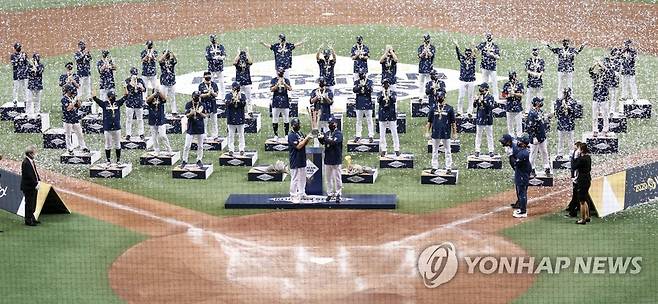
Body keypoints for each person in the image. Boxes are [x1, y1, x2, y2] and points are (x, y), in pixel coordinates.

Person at [426, 92, 456, 174]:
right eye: (438, 97)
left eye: (441, 97)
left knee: (448, 150)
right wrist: (427, 132)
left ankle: (448, 167)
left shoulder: (449, 108)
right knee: (435, 150)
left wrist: (454, 133)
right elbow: (429, 122)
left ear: (444, 97)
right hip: (436, 132)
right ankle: (434, 166)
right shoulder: (433, 108)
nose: (439, 98)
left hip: (446, 132)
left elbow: (453, 122)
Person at [92, 90, 126, 165]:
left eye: (114, 97)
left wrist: (124, 87)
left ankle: (118, 160)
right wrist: (93, 90)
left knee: (117, 144)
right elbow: (95, 99)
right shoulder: (104, 104)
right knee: (108, 145)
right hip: (107, 128)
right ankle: (108, 160)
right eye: (112, 97)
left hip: (117, 127)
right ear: (108, 97)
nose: (113, 98)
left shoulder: (117, 103)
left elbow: (125, 96)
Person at [319, 116, 343, 203]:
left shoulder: (338, 134)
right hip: (328, 158)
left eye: (332, 123)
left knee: (337, 178)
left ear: (335, 124)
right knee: (328, 178)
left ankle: (338, 194)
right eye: (329, 123)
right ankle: (329, 193)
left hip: (336, 159)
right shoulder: (327, 133)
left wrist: (324, 138)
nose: (330, 125)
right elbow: (323, 142)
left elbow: (333, 142)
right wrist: (319, 138)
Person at [288, 118, 313, 203]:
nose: (298, 126)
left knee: (302, 178)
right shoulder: (291, 135)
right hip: (295, 159)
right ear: (292, 126)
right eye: (296, 125)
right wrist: (306, 139)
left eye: (298, 124)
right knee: (295, 178)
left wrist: (309, 137)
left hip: (302, 158)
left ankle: (302, 193)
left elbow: (304, 144)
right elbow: (298, 146)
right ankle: (293, 195)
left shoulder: (300, 133)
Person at [181, 91, 206, 169]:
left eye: (198, 97)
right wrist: (192, 113)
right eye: (196, 97)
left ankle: (199, 160)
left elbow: (205, 115)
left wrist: (199, 113)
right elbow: (186, 115)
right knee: (187, 145)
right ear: (192, 97)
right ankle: (184, 160)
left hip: (200, 127)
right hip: (191, 127)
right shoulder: (188, 104)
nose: (197, 98)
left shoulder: (202, 104)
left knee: (200, 146)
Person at [61, 84, 89, 155]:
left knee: (80, 134)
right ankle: (70, 148)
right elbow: (68, 108)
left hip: (75, 118)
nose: (72, 93)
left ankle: (83, 146)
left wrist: (78, 101)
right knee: (68, 135)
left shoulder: (73, 97)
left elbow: (78, 106)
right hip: (67, 120)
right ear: (67, 91)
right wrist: (73, 102)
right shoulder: (64, 99)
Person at [527, 97, 551, 177]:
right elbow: (530, 127)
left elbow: (543, 122)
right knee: (533, 153)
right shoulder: (532, 113)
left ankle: (546, 167)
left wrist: (548, 118)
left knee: (544, 152)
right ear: (536, 103)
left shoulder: (540, 111)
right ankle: (531, 168)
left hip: (542, 136)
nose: (541, 103)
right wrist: (534, 137)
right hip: (535, 137)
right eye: (539, 102)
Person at [145, 87, 173, 157]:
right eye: (155, 92)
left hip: (161, 120)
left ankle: (169, 150)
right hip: (152, 119)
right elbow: (147, 100)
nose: (157, 93)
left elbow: (165, 98)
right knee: (154, 137)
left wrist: (159, 92)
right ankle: (156, 150)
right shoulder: (150, 99)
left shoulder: (161, 99)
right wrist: (154, 94)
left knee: (163, 135)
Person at [572, 142, 593, 224]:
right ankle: (587, 217)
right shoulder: (588, 157)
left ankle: (583, 219)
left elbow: (574, 167)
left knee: (582, 201)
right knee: (584, 199)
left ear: (582, 150)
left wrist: (576, 156)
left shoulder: (581, 159)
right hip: (587, 179)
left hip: (582, 180)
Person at [377, 79, 399, 157]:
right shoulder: (379, 93)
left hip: (391, 115)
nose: (385, 86)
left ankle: (396, 149)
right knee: (382, 134)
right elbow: (379, 101)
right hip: (383, 115)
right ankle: (383, 149)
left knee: (394, 133)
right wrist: (383, 95)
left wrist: (388, 95)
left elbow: (394, 100)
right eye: (384, 84)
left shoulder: (393, 93)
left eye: (387, 84)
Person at [454, 41, 477, 115]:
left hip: (471, 81)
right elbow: (458, 53)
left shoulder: (473, 60)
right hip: (463, 80)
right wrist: (457, 46)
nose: (468, 55)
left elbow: (475, 53)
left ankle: (470, 111)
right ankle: (459, 111)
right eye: (467, 53)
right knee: (461, 96)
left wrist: (473, 46)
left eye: (469, 53)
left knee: (470, 97)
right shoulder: (462, 59)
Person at [511, 134, 532, 218]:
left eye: (520, 141)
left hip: (522, 176)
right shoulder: (524, 151)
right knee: (522, 193)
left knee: (522, 193)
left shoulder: (523, 154)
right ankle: (522, 209)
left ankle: (523, 211)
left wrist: (511, 157)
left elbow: (516, 164)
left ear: (523, 144)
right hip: (522, 175)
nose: (518, 142)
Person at [589, 58, 610, 137]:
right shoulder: (596, 76)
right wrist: (595, 64)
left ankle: (605, 130)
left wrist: (601, 64)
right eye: (599, 69)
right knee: (595, 115)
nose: (599, 70)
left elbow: (608, 72)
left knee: (605, 115)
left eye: (601, 69)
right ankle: (595, 130)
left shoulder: (606, 77)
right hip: (596, 98)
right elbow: (590, 71)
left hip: (604, 98)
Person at [473, 83, 495, 157]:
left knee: (489, 135)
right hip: (480, 118)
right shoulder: (480, 96)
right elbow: (475, 106)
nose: (481, 90)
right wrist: (475, 101)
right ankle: (477, 150)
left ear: (486, 89)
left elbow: (490, 107)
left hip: (488, 119)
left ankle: (491, 150)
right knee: (478, 135)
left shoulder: (490, 97)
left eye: (482, 88)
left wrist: (483, 102)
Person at [476, 33, 501, 98]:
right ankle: (484, 96)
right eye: (488, 37)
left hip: (492, 68)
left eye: (489, 37)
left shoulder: (495, 46)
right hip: (484, 67)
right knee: (484, 82)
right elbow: (476, 50)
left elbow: (498, 57)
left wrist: (493, 55)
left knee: (494, 83)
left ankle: (496, 98)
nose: (488, 39)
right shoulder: (483, 44)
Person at [124, 67, 146, 141]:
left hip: (138, 102)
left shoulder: (140, 80)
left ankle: (141, 133)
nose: (135, 76)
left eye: (136, 74)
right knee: (129, 119)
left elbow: (144, 89)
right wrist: (132, 83)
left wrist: (141, 87)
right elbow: (128, 90)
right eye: (133, 74)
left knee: (140, 119)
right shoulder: (127, 80)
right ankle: (128, 134)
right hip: (130, 102)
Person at [21, 145, 41, 226]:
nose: (35, 154)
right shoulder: (26, 162)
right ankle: (28, 220)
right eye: (34, 152)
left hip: (33, 186)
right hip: (29, 187)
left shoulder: (31, 161)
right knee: (29, 204)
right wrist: (35, 183)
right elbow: (29, 175)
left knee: (33, 203)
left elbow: (35, 173)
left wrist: (39, 180)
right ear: (29, 153)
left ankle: (32, 217)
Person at [270, 68, 293, 140]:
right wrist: (277, 84)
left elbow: (290, 89)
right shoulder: (273, 80)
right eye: (279, 72)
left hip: (284, 102)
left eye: (282, 72)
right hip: (276, 101)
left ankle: (286, 134)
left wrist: (284, 83)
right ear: (277, 72)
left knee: (286, 119)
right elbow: (271, 89)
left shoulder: (286, 80)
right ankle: (276, 135)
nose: (280, 73)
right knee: (275, 119)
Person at [352, 70, 374, 143]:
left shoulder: (369, 81)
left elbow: (370, 90)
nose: (361, 76)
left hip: (367, 103)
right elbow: (354, 90)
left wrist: (365, 86)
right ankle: (358, 135)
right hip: (359, 103)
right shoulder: (356, 82)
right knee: (359, 120)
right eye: (360, 74)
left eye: (363, 74)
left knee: (369, 120)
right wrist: (359, 86)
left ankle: (371, 135)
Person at [225, 82, 247, 156]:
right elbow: (228, 104)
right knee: (231, 135)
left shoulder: (242, 95)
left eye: (238, 89)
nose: (237, 90)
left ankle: (241, 149)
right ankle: (231, 149)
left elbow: (243, 104)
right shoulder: (228, 95)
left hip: (240, 117)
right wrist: (233, 99)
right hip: (231, 118)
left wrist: (239, 98)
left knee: (241, 135)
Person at [555, 88, 577, 160]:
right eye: (565, 93)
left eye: (567, 93)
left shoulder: (573, 102)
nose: (566, 95)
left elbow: (575, 114)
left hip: (570, 124)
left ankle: (571, 153)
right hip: (561, 123)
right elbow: (557, 113)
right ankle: (560, 153)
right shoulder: (559, 101)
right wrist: (562, 108)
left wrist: (568, 108)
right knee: (560, 139)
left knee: (570, 139)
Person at [502, 71, 524, 136]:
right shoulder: (506, 85)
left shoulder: (519, 84)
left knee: (519, 124)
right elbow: (503, 95)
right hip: (509, 107)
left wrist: (514, 94)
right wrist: (508, 95)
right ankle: (511, 137)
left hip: (517, 107)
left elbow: (521, 94)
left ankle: (519, 137)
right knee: (510, 124)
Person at [199, 71, 220, 140]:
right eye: (206, 77)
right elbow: (200, 95)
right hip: (204, 105)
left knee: (214, 121)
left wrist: (212, 93)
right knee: (205, 122)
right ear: (204, 77)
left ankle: (215, 135)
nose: (208, 78)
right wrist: (207, 94)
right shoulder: (201, 85)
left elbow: (216, 94)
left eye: (209, 77)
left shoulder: (214, 84)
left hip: (213, 105)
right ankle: (204, 135)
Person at [234, 49, 254, 113]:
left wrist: (248, 53)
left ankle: (249, 111)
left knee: (248, 98)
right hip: (239, 83)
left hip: (247, 82)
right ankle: (239, 110)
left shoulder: (247, 62)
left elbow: (251, 62)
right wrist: (238, 54)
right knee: (238, 97)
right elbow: (234, 62)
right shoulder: (237, 63)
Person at [159, 49, 178, 114]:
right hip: (164, 82)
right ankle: (163, 111)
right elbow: (160, 60)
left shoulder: (171, 61)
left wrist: (172, 53)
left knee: (172, 97)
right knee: (163, 98)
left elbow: (176, 60)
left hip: (171, 81)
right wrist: (165, 53)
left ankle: (174, 111)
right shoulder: (162, 62)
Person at [417, 34, 436, 101]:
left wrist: (427, 50)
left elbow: (431, 55)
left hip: (429, 67)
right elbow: (420, 56)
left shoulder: (432, 47)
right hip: (422, 67)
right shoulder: (421, 47)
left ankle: (428, 96)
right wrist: (424, 50)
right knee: (421, 83)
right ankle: (421, 96)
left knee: (429, 83)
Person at [74, 40, 93, 106]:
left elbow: (90, 59)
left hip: (87, 72)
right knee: (80, 86)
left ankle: (89, 97)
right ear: (79, 46)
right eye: (82, 45)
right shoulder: (77, 54)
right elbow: (79, 60)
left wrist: (88, 54)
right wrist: (84, 55)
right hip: (81, 73)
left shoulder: (85, 53)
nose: (83, 47)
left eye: (84, 45)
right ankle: (79, 98)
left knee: (88, 86)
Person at [605, 48, 622, 115]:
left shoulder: (618, 62)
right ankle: (604, 109)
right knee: (606, 96)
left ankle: (612, 110)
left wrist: (610, 71)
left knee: (613, 97)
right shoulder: (606, 60)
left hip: (614, 82)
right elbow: (606, 70)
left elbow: (617, 73)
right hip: (607, 81)